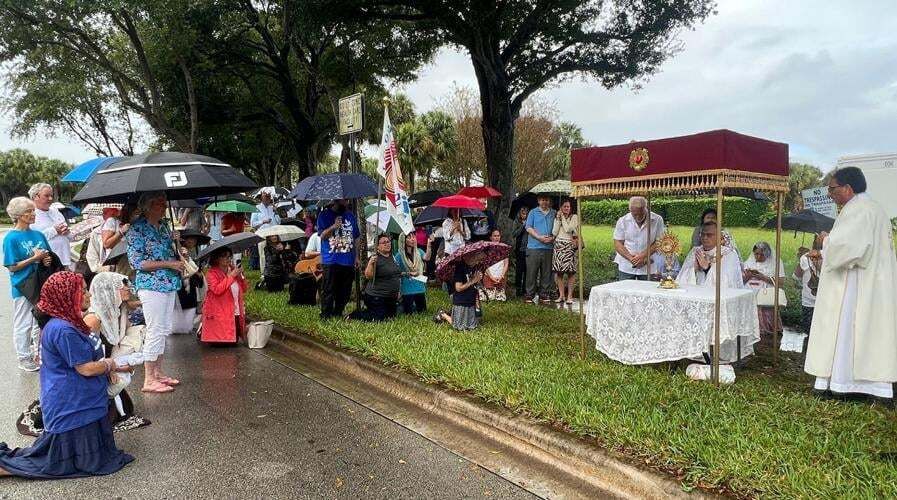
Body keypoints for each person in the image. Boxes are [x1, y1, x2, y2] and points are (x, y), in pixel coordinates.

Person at [0, 272, 134, 479]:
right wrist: (111, 364)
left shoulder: (67, 322)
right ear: (66, 297)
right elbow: (86, 369)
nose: (88, 295)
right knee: (56, 464)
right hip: (72, 403)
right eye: (82, 291)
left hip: (77, 399)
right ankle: (8, 469)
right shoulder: (64, 329)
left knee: (69, 458)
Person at [805, 167, 897, 401]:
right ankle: (860, 383)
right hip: (871, 284)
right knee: (866, 334)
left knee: (848, 329)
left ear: (848, 188)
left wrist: (826, 240)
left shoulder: (859, 209)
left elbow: (849, 249)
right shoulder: (873, 208)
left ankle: (843, 382)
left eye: (833, 189)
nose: (830, 194)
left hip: (855, 287)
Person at [126, 192, 184, 394]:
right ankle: (149, 378)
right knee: (155, 329)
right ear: (148, 205)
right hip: (151, 285)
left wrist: (177, 245)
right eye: (159, 203)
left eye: (164, 202)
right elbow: (137, 263)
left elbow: (171, 254)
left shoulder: (165, 227)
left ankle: (158, 373)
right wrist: (168, 263)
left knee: (164, 328)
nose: (163, 206)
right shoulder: (137, 230)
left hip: (168, 283)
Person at [84, 272, 145, 425]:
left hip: (110, 363)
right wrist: (110, 368)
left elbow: (125, 337)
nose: (127, 289)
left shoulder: (119, 310)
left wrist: (126, 361)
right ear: (109, 290)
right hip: (96, 371)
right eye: (122, 286)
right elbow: (88, 355)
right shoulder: (93, 319)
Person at [3, 197, 52, 371]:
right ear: (19, 215)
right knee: (24, 322)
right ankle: (23, 357)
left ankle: (39, 353)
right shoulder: (11, 238)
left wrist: (45, 259)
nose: (33, 214)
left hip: (41, 282)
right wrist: (34, 258)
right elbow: (12, 267)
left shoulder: (38, 234)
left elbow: (48, 257)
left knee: (41, 319)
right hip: (23, 285)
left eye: (32, 210)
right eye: (28, 212)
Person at [318, 199, 360, 319]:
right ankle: (326, 314)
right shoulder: (324, 215)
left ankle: (338, 312)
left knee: (345, 290)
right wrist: (334, 226)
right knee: (329, 289)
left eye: (347, 200)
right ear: (336, 200)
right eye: (344, 200)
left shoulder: (350, 215)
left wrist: (356, 257)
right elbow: (322, 236)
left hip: (348, 259)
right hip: (331, 259)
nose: (347, 202)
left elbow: (356, 236)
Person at [348, 234, 401, 321]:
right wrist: (370, 263)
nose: (387, 244)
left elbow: (396, 274)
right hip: (377, 296)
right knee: (378, 318)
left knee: (390, 317)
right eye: (383, 243)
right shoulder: (375, 259)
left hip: (391, 297)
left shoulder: (392, 257)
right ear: (377, 246)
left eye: (388, 242)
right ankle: (354, 315)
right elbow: (368, 276)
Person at [676, 221, 744, 288]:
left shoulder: (729, 254)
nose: (705, 237)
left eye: (709, 235)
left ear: (719, 237)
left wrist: (707, 268)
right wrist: (694, 269)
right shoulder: (695, 251)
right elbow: (681, 279)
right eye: (702, 234)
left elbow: (727, 282)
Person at [613, 196, 666, 281]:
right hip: (626, 266)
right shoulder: (622, 220)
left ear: (646, 208)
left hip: (648, 266)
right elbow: (617, 243)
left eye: (640, 214)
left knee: (648, 292)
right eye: (635, 214)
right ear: (630, 210)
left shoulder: (657, 219)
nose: (638, 217)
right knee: (625, 292)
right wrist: (631, 258)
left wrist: (643, 256)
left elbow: (660, 241)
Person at [201, 247, 248, 343]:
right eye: (224, 256)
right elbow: (217, 290)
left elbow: (244, 289)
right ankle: (202, 330)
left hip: (234, 312)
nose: (228, 259)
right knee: (222, 343)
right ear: (216, 258)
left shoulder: (233, 270)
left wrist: (240, 277)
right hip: (219, 315)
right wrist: (231, 276)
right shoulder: (211, 273)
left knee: (233, 342)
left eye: (229, 256)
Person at [743, 241, 786, 336]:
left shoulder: (776, 263)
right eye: (756, 254)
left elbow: (781, 282)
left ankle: (767, 335)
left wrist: (762, 277)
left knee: (766, 317)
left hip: (766, 294)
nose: (758, 257)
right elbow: (741, 281)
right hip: (750, 293)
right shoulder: (749, 262)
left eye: (761, 255)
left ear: (767, 254)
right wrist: (748, 276)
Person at [434, 250, 485, 331]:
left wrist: (478, 279)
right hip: (462, 301)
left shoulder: (474, 267)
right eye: (477, 259)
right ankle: (443, 314)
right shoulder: (460, 268)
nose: (477, 262)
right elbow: (458, 288)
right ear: (469, 256)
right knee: (459, 327)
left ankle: (452, 314)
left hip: (471, 301)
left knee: (473, 326)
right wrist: (473, 280)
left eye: (479, 260)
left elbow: (474, 284)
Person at [28, 183, 73, 269]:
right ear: (35, 197)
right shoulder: (31, 215)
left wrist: (67, 232)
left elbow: (70, 236)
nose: (50, 198)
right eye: (46, 196)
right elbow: (34, 240)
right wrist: (54, 230)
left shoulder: (55, 211)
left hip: (64, 260)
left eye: (51, 195)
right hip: (46, 263)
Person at [524, 195, 556, 303]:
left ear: (549, 201)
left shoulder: (554, 213)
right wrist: (539, 237)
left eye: (546, 199)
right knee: (532, 272)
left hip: (549, 247)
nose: (545, 202)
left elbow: (558, 228)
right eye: (542, 200)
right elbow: (528, 227)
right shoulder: (533, 212)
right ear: (538, 201)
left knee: (547, 272)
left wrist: (552, 238)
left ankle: (544, 294)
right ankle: (529, 294)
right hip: (534, 247)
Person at [394, 232, 431, 314]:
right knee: (409, 313)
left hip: (419, 287)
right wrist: (408, 273)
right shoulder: (399, 256)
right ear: (403, 240)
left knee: (423, 312)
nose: (413, 239)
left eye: (413, 236)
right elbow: (396, 272)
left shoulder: (419, 251)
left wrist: (429, 244)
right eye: (409, 237)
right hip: (407, 289)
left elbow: (427, 258)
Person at [552, 199, 580, 304]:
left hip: (569, 246)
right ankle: (561, 295)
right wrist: (558, 219)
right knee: (559, 273)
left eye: (568, 207)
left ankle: (570, 296)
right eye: (564, 207)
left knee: (570, 272)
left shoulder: (574, 217)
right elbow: (554, 232)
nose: (566, 208)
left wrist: (563, 217)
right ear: (561, 208)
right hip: (559, 245)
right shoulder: (558, 217)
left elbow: (569, 229)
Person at [793, 236, 823, 333]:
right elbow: (796, 276)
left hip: (815, 300)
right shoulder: (805, 257)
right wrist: (801, 259)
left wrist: (812, 260)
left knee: (811, 331)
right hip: (811, 301)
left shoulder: (829, 257)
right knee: (812, 331)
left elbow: (796, 276)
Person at [251, 191, 281, 271]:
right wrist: (263, 221)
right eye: (265, 196)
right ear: (261, 197)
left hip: (273, 234)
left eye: (269, 196)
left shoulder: (272, 208)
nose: (267, 197)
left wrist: (276, 212)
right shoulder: (257, 208)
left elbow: (279, 222)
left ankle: (275, 270)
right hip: (262, 234)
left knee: (275, 252)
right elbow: (253, 224)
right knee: (263, 254)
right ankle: (264, 272)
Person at [480, 229, 509, 302]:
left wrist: (502, 275)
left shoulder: (504, 248)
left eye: (498, 236)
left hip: (500, 276)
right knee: (490, 298)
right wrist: (492, 277)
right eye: (495, 236)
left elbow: (506, 264)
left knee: (501, 299)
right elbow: (485, 265)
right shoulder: (486, 249)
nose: (496, 238)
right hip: (489, 276)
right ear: (491, 237)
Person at [512, 206, 529, 297]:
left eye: (526, 213)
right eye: (523, 213)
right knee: (519, 270)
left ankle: (525, 289)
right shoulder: (516, 221)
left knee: (527, 270)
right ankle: (518, 288)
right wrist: (522, 226)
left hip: (529, 249)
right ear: (520, 213)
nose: (524, 215)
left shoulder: (530, 222)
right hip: (519, 249)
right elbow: (514, 234)